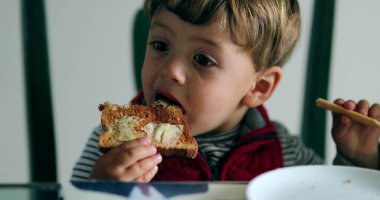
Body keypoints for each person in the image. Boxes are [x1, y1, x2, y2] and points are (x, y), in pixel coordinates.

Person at [72, 0, 380, 182]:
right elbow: (73, 193)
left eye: (203, 59)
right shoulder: (114, 144)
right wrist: (101, 187)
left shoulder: (283, 154)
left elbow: (323, 196)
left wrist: (358, 162)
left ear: (258, 88)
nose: (170, 70)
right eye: (160, 45)